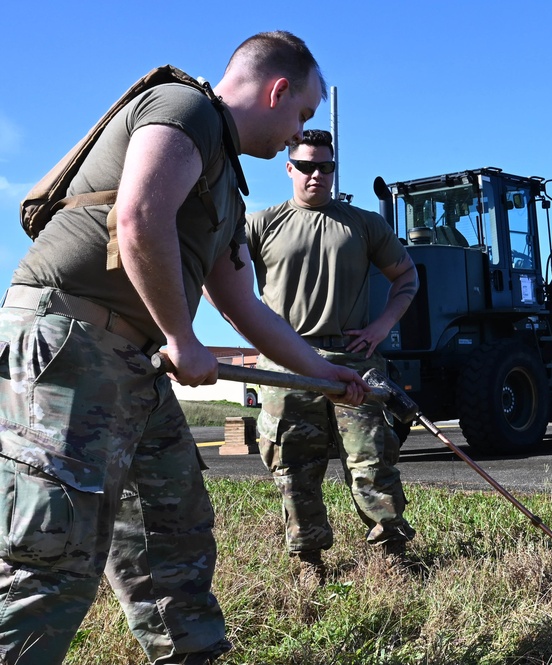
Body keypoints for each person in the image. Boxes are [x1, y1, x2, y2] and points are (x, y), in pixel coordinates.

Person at [0, 32, 368, 665]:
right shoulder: (185, 108)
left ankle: (189, 653)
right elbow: (138, 215)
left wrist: (324, 371)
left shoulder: (228, 188)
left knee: (173, 527)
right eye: (302, 115)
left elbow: (243, 305)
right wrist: (180, 337)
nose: (297, 134)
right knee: (52, 556)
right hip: (70, 343)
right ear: (278, 90)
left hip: (131, 360)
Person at [245, 129, 419, 580]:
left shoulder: (363, 224)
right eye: (305, 166)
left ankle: (391, 552)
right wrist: (254, 330)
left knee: (372, 461)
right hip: (286, 368)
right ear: (289, 168)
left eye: (324, 166)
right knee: (295, 466)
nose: (315, 174)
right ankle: (308, 560)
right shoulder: (261, 225)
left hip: (352, 365)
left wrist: (381, 327)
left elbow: (406, 278)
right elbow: (214, 275)